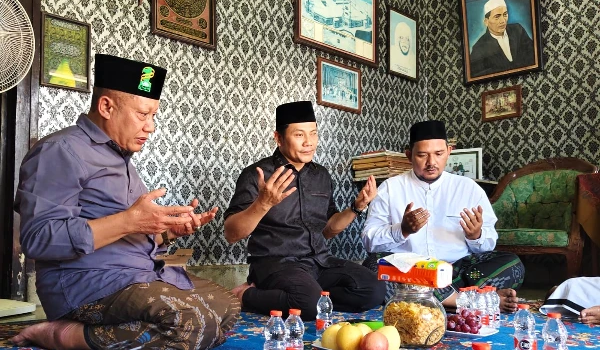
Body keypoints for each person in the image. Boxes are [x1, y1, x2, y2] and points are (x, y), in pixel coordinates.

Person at [11, 54, 240, 350]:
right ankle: (63, 335)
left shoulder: (119, 158)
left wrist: (167, 231)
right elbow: (38, 239)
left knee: (227, 306)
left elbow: (129, 233)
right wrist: (129, 220)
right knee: (192, 322)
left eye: (154, 116)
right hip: (87, 284)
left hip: (139, 275)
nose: (151, 127)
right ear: (107, 106)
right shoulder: (60, 151)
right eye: (143, 115)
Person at [224, 101, 386, 321]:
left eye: (313, 134)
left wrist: (357, 207)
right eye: (299, 135)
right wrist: (263, 203)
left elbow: (328, 230)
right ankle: (247, 296)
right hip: (275, 264)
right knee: (308, 304)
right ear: (279, 138)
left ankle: (304, 296)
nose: (309, 142)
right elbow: (232, 234)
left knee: (373, 289)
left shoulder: (321, 176)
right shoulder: (257, 174)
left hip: (319, 262)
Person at [361, 120, 525, 313]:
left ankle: (433, 300)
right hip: (410, 271)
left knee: (512, 263)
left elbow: (489, 243)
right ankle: (467, 301)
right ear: (409, 155)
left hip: (457, 271)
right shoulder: (390, 188)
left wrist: (476, 236)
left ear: (449, 151)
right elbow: (370, 242)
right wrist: (402, 230)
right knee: (373, 266)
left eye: (438, 154)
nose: (431, 163)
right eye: (422, 155)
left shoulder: (468, 188)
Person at [469, 0, 535, 78]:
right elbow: (477, 75)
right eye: (497, 17)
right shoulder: (479, 47)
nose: (503, 21)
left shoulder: (517, 30)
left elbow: (533, 55)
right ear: (486, 21)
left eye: (505, 14)